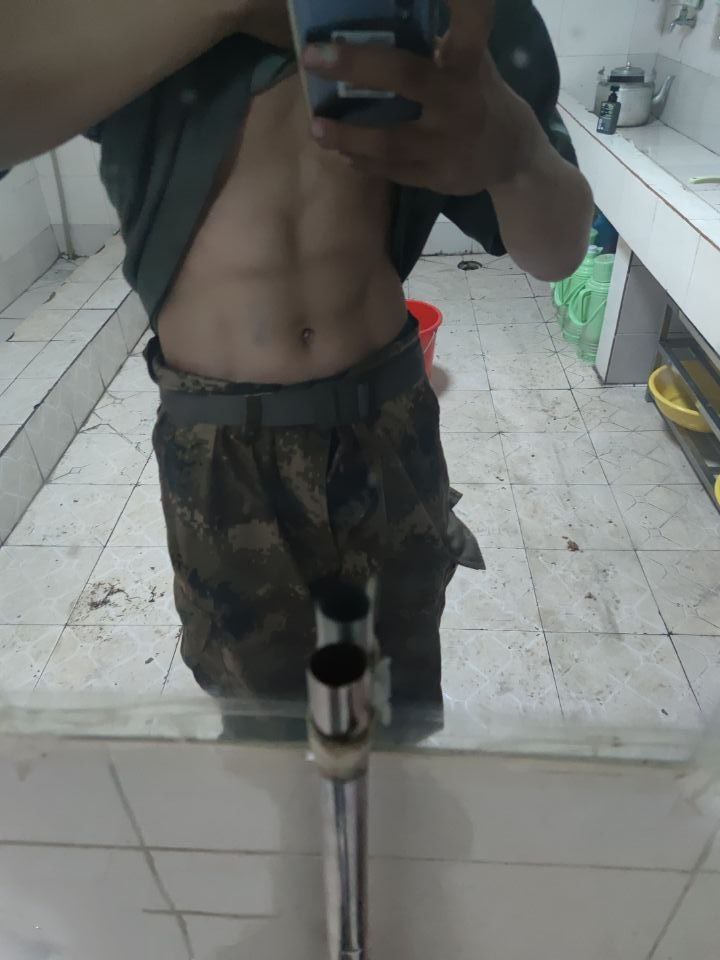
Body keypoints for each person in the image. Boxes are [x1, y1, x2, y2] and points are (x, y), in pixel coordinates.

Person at [1, 0, 593, 726]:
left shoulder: (441, 8)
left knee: (396, 712)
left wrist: (520, 154)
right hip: (224, 449)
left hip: (385, 424)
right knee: (265, 731)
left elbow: (559, 251)